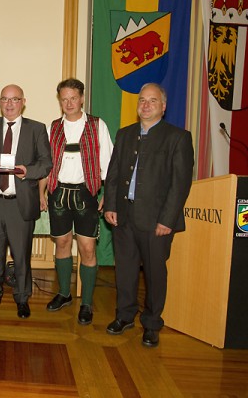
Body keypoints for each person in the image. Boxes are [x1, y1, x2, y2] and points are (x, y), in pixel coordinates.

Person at [103, 83, 194, 348]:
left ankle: (152, 323)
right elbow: (113, 174)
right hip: (125, 216)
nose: (145, 105)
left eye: (152, 101)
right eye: (142, 100)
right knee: (126, 271)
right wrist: (110, 205)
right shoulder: (125, 134)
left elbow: (180, 184)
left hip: (157, 222)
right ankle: (125, 315)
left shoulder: (178, 137)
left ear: (163, 107)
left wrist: (167, 220)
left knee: (155, 274)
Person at [39, 78, 113, 325]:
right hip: (58, 193)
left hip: (87, 193)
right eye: (64, 99)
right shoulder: (53, 127)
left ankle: (87, 302)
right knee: (61, 244)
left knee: (87, 248)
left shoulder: (97, 125)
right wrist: (42, 192)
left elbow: (108, 164)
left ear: (82, 98)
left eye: (73, 98)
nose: (69, 103)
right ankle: (64, 293)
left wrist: (107, 195)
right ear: (59, 101)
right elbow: (47, 165)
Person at [0, 84, 52, 319]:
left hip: (20, 202)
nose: (9, 104)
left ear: (23, 102)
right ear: (0, 102)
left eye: (14, 99)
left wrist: (26, 170)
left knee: (21, 255)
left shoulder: (36, 129)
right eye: (4, 99)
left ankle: (22, 297)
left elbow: (46, 163)